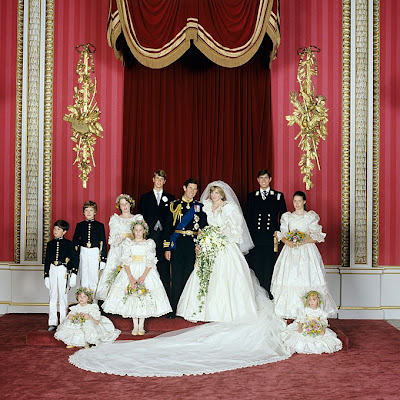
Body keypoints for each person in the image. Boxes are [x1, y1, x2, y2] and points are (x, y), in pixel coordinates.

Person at [177, 181, 257, 322]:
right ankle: (201, 310)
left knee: (224, 276)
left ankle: (224, 311)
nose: (214, 196)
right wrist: (203, 240)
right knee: (204, 273)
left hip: (224, 245)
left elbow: (235, 229)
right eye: (212, 192)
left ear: (222, 194)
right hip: (209, 245)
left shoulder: (229, 208)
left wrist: (219, 236)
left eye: (217, 193)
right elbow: (202, 226)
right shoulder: (206, 206)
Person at [271, 191, 338, 319]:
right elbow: (283, 234)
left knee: (307, 277)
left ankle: (310, 311)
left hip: (307, 251)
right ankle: (290, 312)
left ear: (304, 202)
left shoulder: (310, 217)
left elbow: (316, 236)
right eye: (295, 201)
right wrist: (288, 242)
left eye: (299, 201)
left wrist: (303, 241)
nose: (296, 204)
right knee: (290, 278)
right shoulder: (287, 217)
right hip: (290, 251)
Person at [102, 216, 171, 335]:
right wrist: (130, 276)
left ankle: (141, 325)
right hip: (131, 270)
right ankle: (135, 326)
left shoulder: (149, 243)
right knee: (132, 296)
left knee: (143, 296)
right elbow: (125, 260)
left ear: (144, 231)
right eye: (136, 230)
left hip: (145, 270)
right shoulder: (128, 243)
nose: (138, 232)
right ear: (133, 231)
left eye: (140, 230)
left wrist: (143, 276)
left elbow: (151, 260)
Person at [163, 179, 207, 317]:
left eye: (195, 189)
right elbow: (168, 228)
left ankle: (186, 308)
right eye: (190, 188)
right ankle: (175, 308)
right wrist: (167, 247)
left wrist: (201, 241)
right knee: (175, 276)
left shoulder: (199, 207)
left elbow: (204, 226)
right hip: (178, 244)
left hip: (192, 245)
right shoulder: (174, 205)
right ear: (184, 188)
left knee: (189, 276)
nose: (192, 192)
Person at [245, 169, 287, 295]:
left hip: (270, 237)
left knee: (269, 265)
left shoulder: (278, 196)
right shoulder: (252, 196)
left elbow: (284, 217)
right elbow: (248, 217)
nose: (263, 180)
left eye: (266, 178)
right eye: (261, 178)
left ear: (270, 179)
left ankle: (269, 293)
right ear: (257, 180)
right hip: (256, 237)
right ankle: (258, 294)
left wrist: (279, 231)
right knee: (256, 264)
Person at [138, 170, 175, 298]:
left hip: (164, 238)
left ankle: (164, 298)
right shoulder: (145, 197)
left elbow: (172, 220)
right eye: (157, 178)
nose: (159, 181)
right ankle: (146, 296)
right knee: (147, 267)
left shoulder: (170, 198)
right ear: (153, 179)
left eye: (162, 179)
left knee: (164, 269)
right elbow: (141, 218)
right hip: (149, 237)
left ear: (165, 181)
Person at [96, 194, 137, 300]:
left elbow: (140, 234)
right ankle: (114, 300)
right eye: (122, 204)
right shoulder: (115, 219)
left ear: (130, 204)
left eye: (126, 204)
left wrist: (130, 239)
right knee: (115, 272)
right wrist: (123, 238)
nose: (124, 206)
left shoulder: (137, 218)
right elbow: (114, 237)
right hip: (118, 249)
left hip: (132, 248)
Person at [54, 287, 120, 348]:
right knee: (70, 322)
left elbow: (97, 322)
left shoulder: (91, 307)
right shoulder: (76, 307)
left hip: (90, 322)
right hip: (78, 321)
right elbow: (71, 315)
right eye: (80, 296)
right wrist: (71, 316)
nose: (81, 298)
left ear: (88, 298)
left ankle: (86, 342)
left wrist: (89, 318)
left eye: (84, 297)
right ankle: (74, 342)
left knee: (87, 322)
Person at [44, 220, 79, 331]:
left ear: (64, 231)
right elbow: (47, 260)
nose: (55, 231)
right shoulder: (50, 244)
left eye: (58, 229)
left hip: (63, 270)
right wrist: (46, 276)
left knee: (63, 297)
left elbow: (74, 259)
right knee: (52, 296)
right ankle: (53, 322)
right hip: (52, 270)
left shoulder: (69, 244)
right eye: (54, 228)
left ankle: (64, 321)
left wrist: (73, 274)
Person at [73, 201, 107, 292]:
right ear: (83, 212)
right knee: (84, 275)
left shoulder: (99, 226)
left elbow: (103, 242)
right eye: (86, 210)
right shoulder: (80, 225)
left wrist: (103, 259)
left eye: (91, 210)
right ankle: (84, 300)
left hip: (94, 252)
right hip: (83, 251)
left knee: (93, 276)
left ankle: (94, 301)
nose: (88, 213)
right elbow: (75, 241)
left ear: (95, 212)